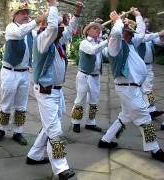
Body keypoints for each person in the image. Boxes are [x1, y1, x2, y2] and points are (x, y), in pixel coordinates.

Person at [98, 8, 164, 163]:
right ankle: (155, 149)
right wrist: (117, 21)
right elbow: (115, 34)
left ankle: (105, 140)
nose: (131, 30)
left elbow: (141, 33)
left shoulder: (130, 43)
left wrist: (138, 16)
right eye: (128, 29)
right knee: (145, 119)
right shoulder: (115, 46)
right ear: (123, 32)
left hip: (133, 88)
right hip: (127, 88)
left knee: (125, 116)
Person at [26, 1, 83, 179]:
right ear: (48, 26)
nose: (62, 28)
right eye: (59, 26)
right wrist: (52, 6)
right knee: (55, 130)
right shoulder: (42, 39)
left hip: (56, 90)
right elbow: (52, 29)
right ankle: (61, 168)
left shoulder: (57, 42)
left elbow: (68, 29)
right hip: (46, 90)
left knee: (51, 125)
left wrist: (77, 14)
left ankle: (34, 155)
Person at [0, 2, 46, 145]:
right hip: (10, 72)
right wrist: (37, 20)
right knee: (6, 103)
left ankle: (18, 131)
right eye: (22, 13)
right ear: (15, 16)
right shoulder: (11, 28)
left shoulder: (32, 32)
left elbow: (42, 38)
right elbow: (20, 33)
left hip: (24, 73)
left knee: (22, 104)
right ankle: (1, 130)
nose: (26, 15)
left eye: (27, 13)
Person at [70, 20, 108, 133]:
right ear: (88, 31)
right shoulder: (84, 43)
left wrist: (112, 42)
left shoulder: (99, 43)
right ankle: (76, 122)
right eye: (94, 28)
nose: (98, 30)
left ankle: (90, 122)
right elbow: (92, 51)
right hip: (84, 76)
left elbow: (107, 54)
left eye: (98, 28)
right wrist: (106, 41)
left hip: (96, 76)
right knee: (80, 99)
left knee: (94, 100)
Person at [137, 17, 164, 123]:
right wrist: (159, 33)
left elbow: (160, 43)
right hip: (139, 67)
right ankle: (142, 110)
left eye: (148, 22)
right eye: (144, 22)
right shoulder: (137, 35)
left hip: (148, 66)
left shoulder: (150, 34)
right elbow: (144, 38)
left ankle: (151, 110)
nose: (146, 23)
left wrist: (162, 37)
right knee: (139, 90)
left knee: (148, 89)